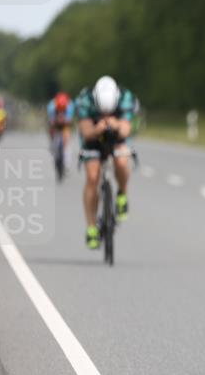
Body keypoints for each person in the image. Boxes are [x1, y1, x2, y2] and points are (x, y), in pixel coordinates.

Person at [74, 76, 137, 249]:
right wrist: (97, 129)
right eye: (102, 112)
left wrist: (115, 124)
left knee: (122, 162)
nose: (106, 115)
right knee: (93, 176)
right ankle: (91, 228)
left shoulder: (126, 98)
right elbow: (86, 132)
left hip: (117, 138)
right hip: (92, 139)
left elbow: (125, 130)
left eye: (109, 112)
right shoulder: (84, 100)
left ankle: (122, 194)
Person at [47, 91, 74, 173]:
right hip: (55, 121)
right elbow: (51, 121)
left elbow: (69, 121)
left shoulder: (70, 106)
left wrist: (65, 121)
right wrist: (54, 123)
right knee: (52, 130)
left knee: (67, 138)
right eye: (60, 110)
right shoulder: (51, 106)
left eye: (63, 110)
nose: (61, 111)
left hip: (65, 123)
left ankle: (67, 163)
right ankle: (52, 144)